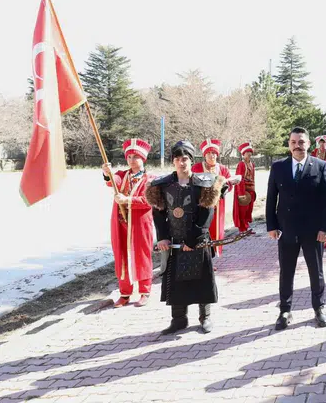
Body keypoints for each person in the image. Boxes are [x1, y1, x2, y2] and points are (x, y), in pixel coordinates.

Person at [146, 140, 226, 334]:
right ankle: (179, 320)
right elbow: (158, 214)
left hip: (198, 241)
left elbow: (207, 214)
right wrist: (163, 237)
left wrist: (193, 239)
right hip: (174, 241)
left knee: (202, 280)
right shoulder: (163, 185)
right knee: (176, 281)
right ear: (173, 161)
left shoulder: (204, 183)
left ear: (191, 160)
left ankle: (205, 318)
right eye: (177, 159)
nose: (181, 163)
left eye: (185, 159)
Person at [266, 127, 326, 330]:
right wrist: (272, 225)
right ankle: (285, 310)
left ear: (308, 144)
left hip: (313, 230)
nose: (298, 146)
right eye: (294, 142)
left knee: (316, 271)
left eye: (301, 142)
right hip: (286, 229)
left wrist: (325, 227)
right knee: (286, 272)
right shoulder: (278, 167)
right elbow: (271, 199)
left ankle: (319, 308)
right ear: (289, 145)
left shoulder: (321, 166)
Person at [102, 139, 155, 308]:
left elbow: (150, 200)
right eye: (129, 156)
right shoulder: (122, 175)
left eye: (136, 157)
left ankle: (144, 291)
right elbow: (113, 181)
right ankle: (125, 293)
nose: (132, 160)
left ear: (143, 159)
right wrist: (107, 172)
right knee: (122, 256)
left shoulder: (151, 179)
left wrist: (128, 200)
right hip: (120, 224)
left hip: (140, 223)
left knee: (142, 255)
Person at [191, 139, 241, 258]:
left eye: (214, 153)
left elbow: (229, 185)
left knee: (217, 231)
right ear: (204, 155)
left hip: (218, 206)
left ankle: (215, 255)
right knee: (202, 230)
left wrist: (225, 186)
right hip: (200, 205)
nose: (211, 155)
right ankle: (203, 255)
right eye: (209, 153)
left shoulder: (223, 169)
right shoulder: (197, 167)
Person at [233, 141, 257, 235]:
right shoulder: (241, 164)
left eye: (250, 152)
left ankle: (246, 227)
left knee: (248, 211)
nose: (249, 154)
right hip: (243, 191)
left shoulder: (252, 164)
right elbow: (239, 179)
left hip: (250, 190)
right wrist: (241, 193)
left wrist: (254, 191)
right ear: (243, 154)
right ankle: (242, 229)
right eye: (247, 152)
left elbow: (253, 178)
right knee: (242, 211)